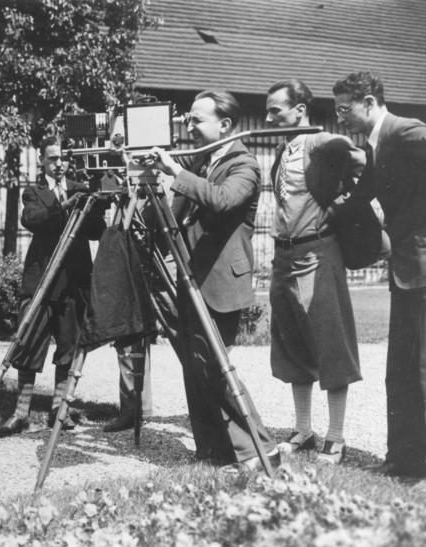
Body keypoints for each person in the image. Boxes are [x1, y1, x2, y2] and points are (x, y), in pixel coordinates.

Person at [146, 90, 279, 471]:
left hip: (220, 282)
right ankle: (212, 451)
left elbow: (221, 200)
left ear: (223, 125)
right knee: (196, 367)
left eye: (196, 120)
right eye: (187, 119)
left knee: (214, 366)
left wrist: (176, 172)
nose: (188, 126)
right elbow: (177, 216)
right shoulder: (200, 163)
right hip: (192, 278)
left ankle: (258, 448)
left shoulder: (245, 166)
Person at [332, 71, 426, 478]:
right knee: (400, 371)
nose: (339, 117)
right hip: (405, 269)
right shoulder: (374, 146)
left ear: (370, 103)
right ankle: (400, 458)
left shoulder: (404, 131)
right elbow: (361, 196)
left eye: (345, 109)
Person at [264, 79, 365, 464]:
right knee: (292, 344)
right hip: (284, 257)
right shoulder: (283, 149)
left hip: (317, 253)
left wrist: (341, 202)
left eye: (277, 110)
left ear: (300, 110)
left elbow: (360, 163)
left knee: (330, 342)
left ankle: (335, 435)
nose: (271, 117)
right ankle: (304, 430)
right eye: (269, 110)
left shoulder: (319, 142)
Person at [0, 135, 106, 437]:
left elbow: (97, 232)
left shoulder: (82, 191)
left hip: (74, 281)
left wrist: (94, 206)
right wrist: (64, 206)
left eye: (64, 158)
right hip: (41, 279)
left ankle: (59, 410)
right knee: (28, 343)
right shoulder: (34, 192)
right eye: (53, 158)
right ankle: (21, 414)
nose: (59, 164)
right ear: (42, 160)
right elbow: (33, 220)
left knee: (69, 346)